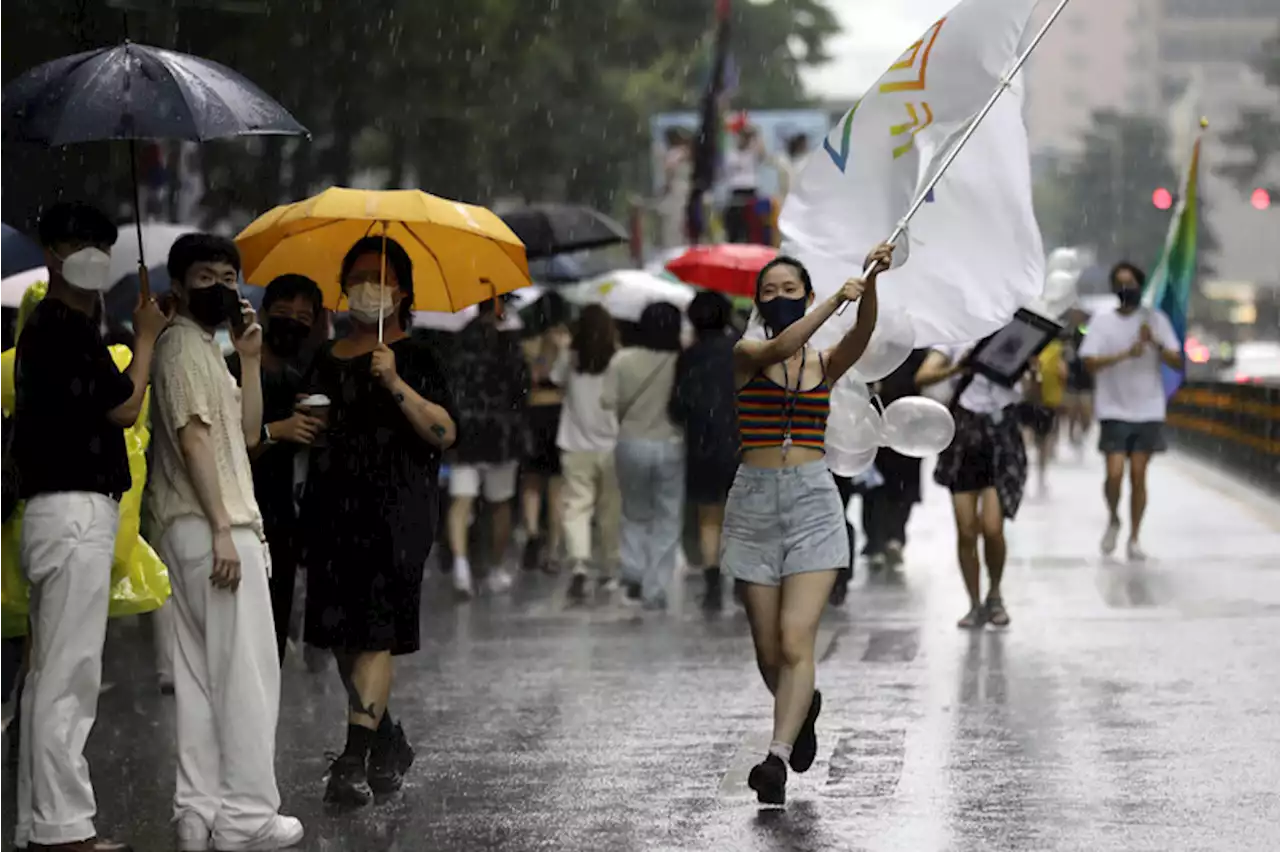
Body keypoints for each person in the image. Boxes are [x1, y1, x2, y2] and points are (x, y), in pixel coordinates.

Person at [13, 202, 167, 852]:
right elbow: (126, 410)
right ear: (52, 252)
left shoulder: (63, 325)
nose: (91, 253)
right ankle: (64, 831)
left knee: (51, 674)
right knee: (68, 678)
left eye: (101, 243)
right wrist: (150, 338)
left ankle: (40, 823)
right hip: (74, 510)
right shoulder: (62, 327)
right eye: (78, 242)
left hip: (58, 511)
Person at [146, 234, 302, 849]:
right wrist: (220, 528)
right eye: (207, 275)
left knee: (201, 679)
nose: (223, 286)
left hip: (199, 526)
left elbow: (243, 434)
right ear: (179, 286)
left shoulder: (205, 350)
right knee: (245, 677)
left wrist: (250, 359)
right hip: (216, 526)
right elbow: (194, 441)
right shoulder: (182, 346)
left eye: (231, 275)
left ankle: (199, 809)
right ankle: (247, 817)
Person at [724, 245, 893, 806]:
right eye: (768, 292)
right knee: (769, 652)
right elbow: (780, 344)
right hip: (752, 506)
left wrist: (868, 285)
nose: (779, 299)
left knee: (797, 638)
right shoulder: (747, 352)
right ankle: (803, 711)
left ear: (807, 293)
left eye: (789, 290)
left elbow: (861, 336)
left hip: (814, 504)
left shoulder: (823, 365)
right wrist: (830, 306)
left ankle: (775, 759)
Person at [298, 237, 456, 806]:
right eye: (359, 274)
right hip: (330, 513)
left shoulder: (418, 358)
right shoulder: (324, 356)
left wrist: (395, 383)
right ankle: (386, 740)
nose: (369, 285)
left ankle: (352, 759)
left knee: (374, 634)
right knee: (343, 638)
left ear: (403, 291)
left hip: (397, 517)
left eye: (380, 276)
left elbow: (445, 432)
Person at [228, 273, 325, 662]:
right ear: (265, 313)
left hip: (282, 529)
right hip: (237, 523)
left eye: (305, 317)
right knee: (238, 644)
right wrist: (274, 432)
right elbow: (222, 453)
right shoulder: (232, 371)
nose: (293, 323)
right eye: (285, 313)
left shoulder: (296, 380)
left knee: (271, 642)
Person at [916, 342, 1027, 630]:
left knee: (992, 527)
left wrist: (1033, 372)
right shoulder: (953, 339)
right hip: (964, 438)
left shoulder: (1011, 333)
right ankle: (974, 603)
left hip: (1001, 438)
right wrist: (959, 367)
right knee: (966, 530)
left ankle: (995, 593)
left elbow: (1031, 395)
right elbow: (923, 376)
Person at [1079, 262, 1181, 561]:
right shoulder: (1101, 323)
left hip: (1148, 408)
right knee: (1114, 474)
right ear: (1114, 289)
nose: (1127, 290)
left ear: (1140, 286)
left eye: (1132, 284)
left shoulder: (1154, 320)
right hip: (1113, 408)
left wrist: (1156, 344)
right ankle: (1113, 517)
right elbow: (1090, 363)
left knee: (1138, 474)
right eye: (1121, 284)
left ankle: (1135, 537)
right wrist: (1126, 353)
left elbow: (1177, 361)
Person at [603, 302, 684, 610]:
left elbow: (606, 401)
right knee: (667, 516)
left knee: (634, 512)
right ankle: (656, 587)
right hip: (672, 442)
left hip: (631, 442)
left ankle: (633, 573)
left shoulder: (623, 359)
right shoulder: (680, 360)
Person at [445, 299, 528, 597]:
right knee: (500, 504)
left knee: (461, 500)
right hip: (500, 436)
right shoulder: (508, 345)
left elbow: (450, 385)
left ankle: (461, 567)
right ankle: (494, 569)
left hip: (465, 433)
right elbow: (521, 388)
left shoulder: (460, 340)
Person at [670, 291, 740, 610]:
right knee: (740, 516)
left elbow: (678, 406)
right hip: (740, 443)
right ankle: (742, 580)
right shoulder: (740, 351)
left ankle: (713, 579)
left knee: (709, 515)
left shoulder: (689, 356)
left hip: (701, 444)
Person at [552, 304, 621, 603]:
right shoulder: (618, 359)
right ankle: (609, 568)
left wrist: (562, 348)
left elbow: (555, 380)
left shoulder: (570, 358)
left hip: (575, 444)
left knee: (577, 508)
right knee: (610, 511)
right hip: (612, 446)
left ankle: (580, 564)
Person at [860, 349, 929, 572]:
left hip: (908, 424)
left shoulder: (916, 350)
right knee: (876, 488)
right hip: (875, 423)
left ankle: (895, 538)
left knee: (904, 486)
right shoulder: (871, 345)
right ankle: (877, 541)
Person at [519, 292, 569, 573]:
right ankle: (554, 549)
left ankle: (532, 532)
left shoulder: (527, 344)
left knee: (532, 480)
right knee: (557, 486)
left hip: (533, 413)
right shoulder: (568, 343)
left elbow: (530, 379)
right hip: (560, 414)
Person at [722, 124, 764, 244]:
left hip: (751, 191)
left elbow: (762, 153)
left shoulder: (753, 153)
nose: (744, 139)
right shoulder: (731, 154)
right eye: (742, 136)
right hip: (736, 191)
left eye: (746, 137)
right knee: (734, 229)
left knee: (752, 229)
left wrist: (756, 135)